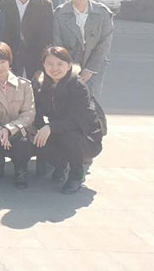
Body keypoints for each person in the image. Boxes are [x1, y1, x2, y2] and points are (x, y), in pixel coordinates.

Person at [33, 46, 105, 194]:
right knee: (37, 139)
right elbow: (37, 113)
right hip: (60, 131)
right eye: (50, 64)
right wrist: (39, 129)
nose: (55, 68)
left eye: (60, 64)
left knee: (70, 137)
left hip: (85, 137)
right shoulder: (42, 85)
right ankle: (60, 165)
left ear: (68, 65)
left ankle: (76, 175)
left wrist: (50, 127)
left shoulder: (77, 86)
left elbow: (78, 120)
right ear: (44, 65)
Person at [0, 42, 35, 189]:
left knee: (23, 144)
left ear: (10, 61)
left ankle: (20, 170)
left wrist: (9, 130)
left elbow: (29, 113)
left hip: (18, 134)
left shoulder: (25, 85)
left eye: (3, 62)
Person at [53, 0, 114, 99]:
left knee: (90, 99)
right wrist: (69, 68)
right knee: (68, 98)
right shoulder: (59, 13)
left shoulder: (103, 13)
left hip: (95, 64)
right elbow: (57, 42)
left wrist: (90, 69)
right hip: (67, 65)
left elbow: (105, 43)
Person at [0, 0, 53, 79]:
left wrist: (41, 67)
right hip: (11, 56)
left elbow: (47, 38)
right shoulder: (2, 4)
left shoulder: (45, 5)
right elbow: (1, 35)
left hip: (35, 56)